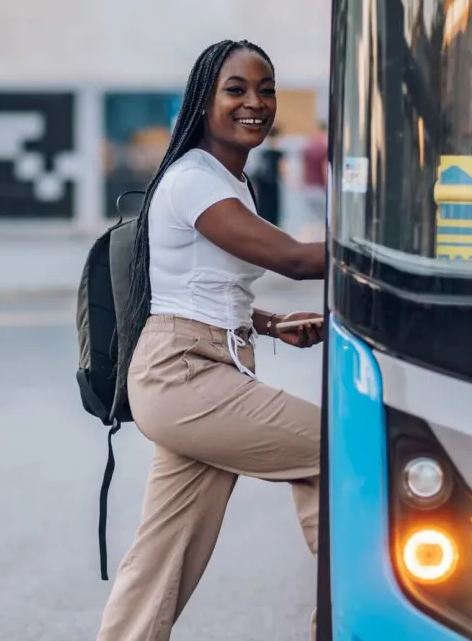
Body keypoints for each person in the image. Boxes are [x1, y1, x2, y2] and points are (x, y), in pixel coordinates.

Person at [97, 39, 328, 641]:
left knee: (161, 556)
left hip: (199, 371)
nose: (255, 102)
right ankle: (346, 619)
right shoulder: (195, 180)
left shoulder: (226, 180)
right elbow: (295, 259)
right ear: (203, 101)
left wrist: (270, 324)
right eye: (236, 90)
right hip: (185, 374)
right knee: (335, 451)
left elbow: (197, 288)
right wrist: (386, 252)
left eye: (266, 90)